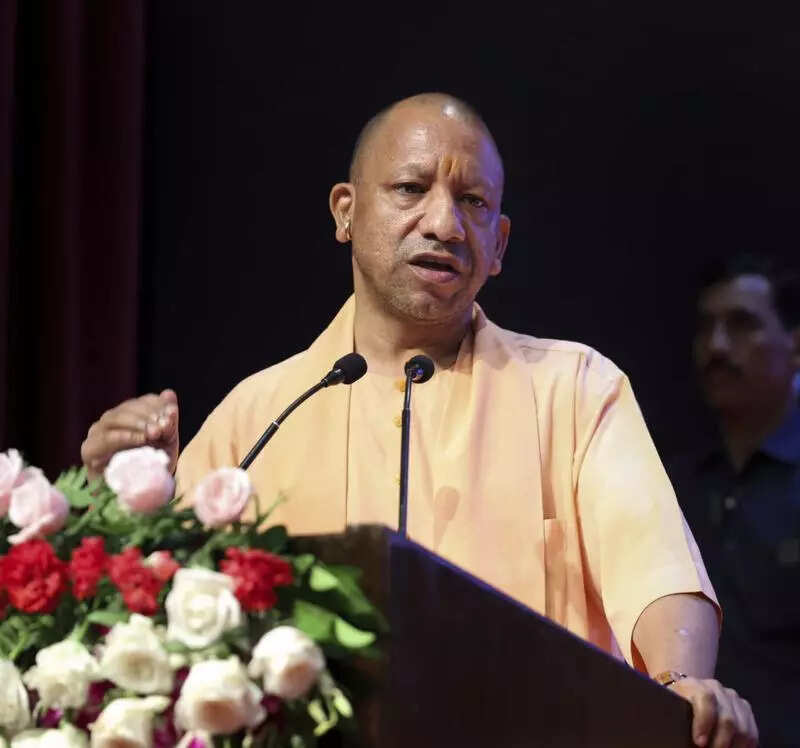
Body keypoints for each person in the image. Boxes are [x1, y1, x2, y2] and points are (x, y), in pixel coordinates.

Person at [81, 93, 758, 746]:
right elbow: (166, 624)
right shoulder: (260, 415)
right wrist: (127, 509)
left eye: (473, 202)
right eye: (410, 189)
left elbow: (656, 568)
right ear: (346, 212)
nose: (444, 224)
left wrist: (680, 682)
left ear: (499, 243)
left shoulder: (574, 389)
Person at [672, 254, 800, 746]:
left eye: (742, 325)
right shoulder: (674, 485)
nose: (717, 347)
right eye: (707, 328)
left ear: (795, 345)